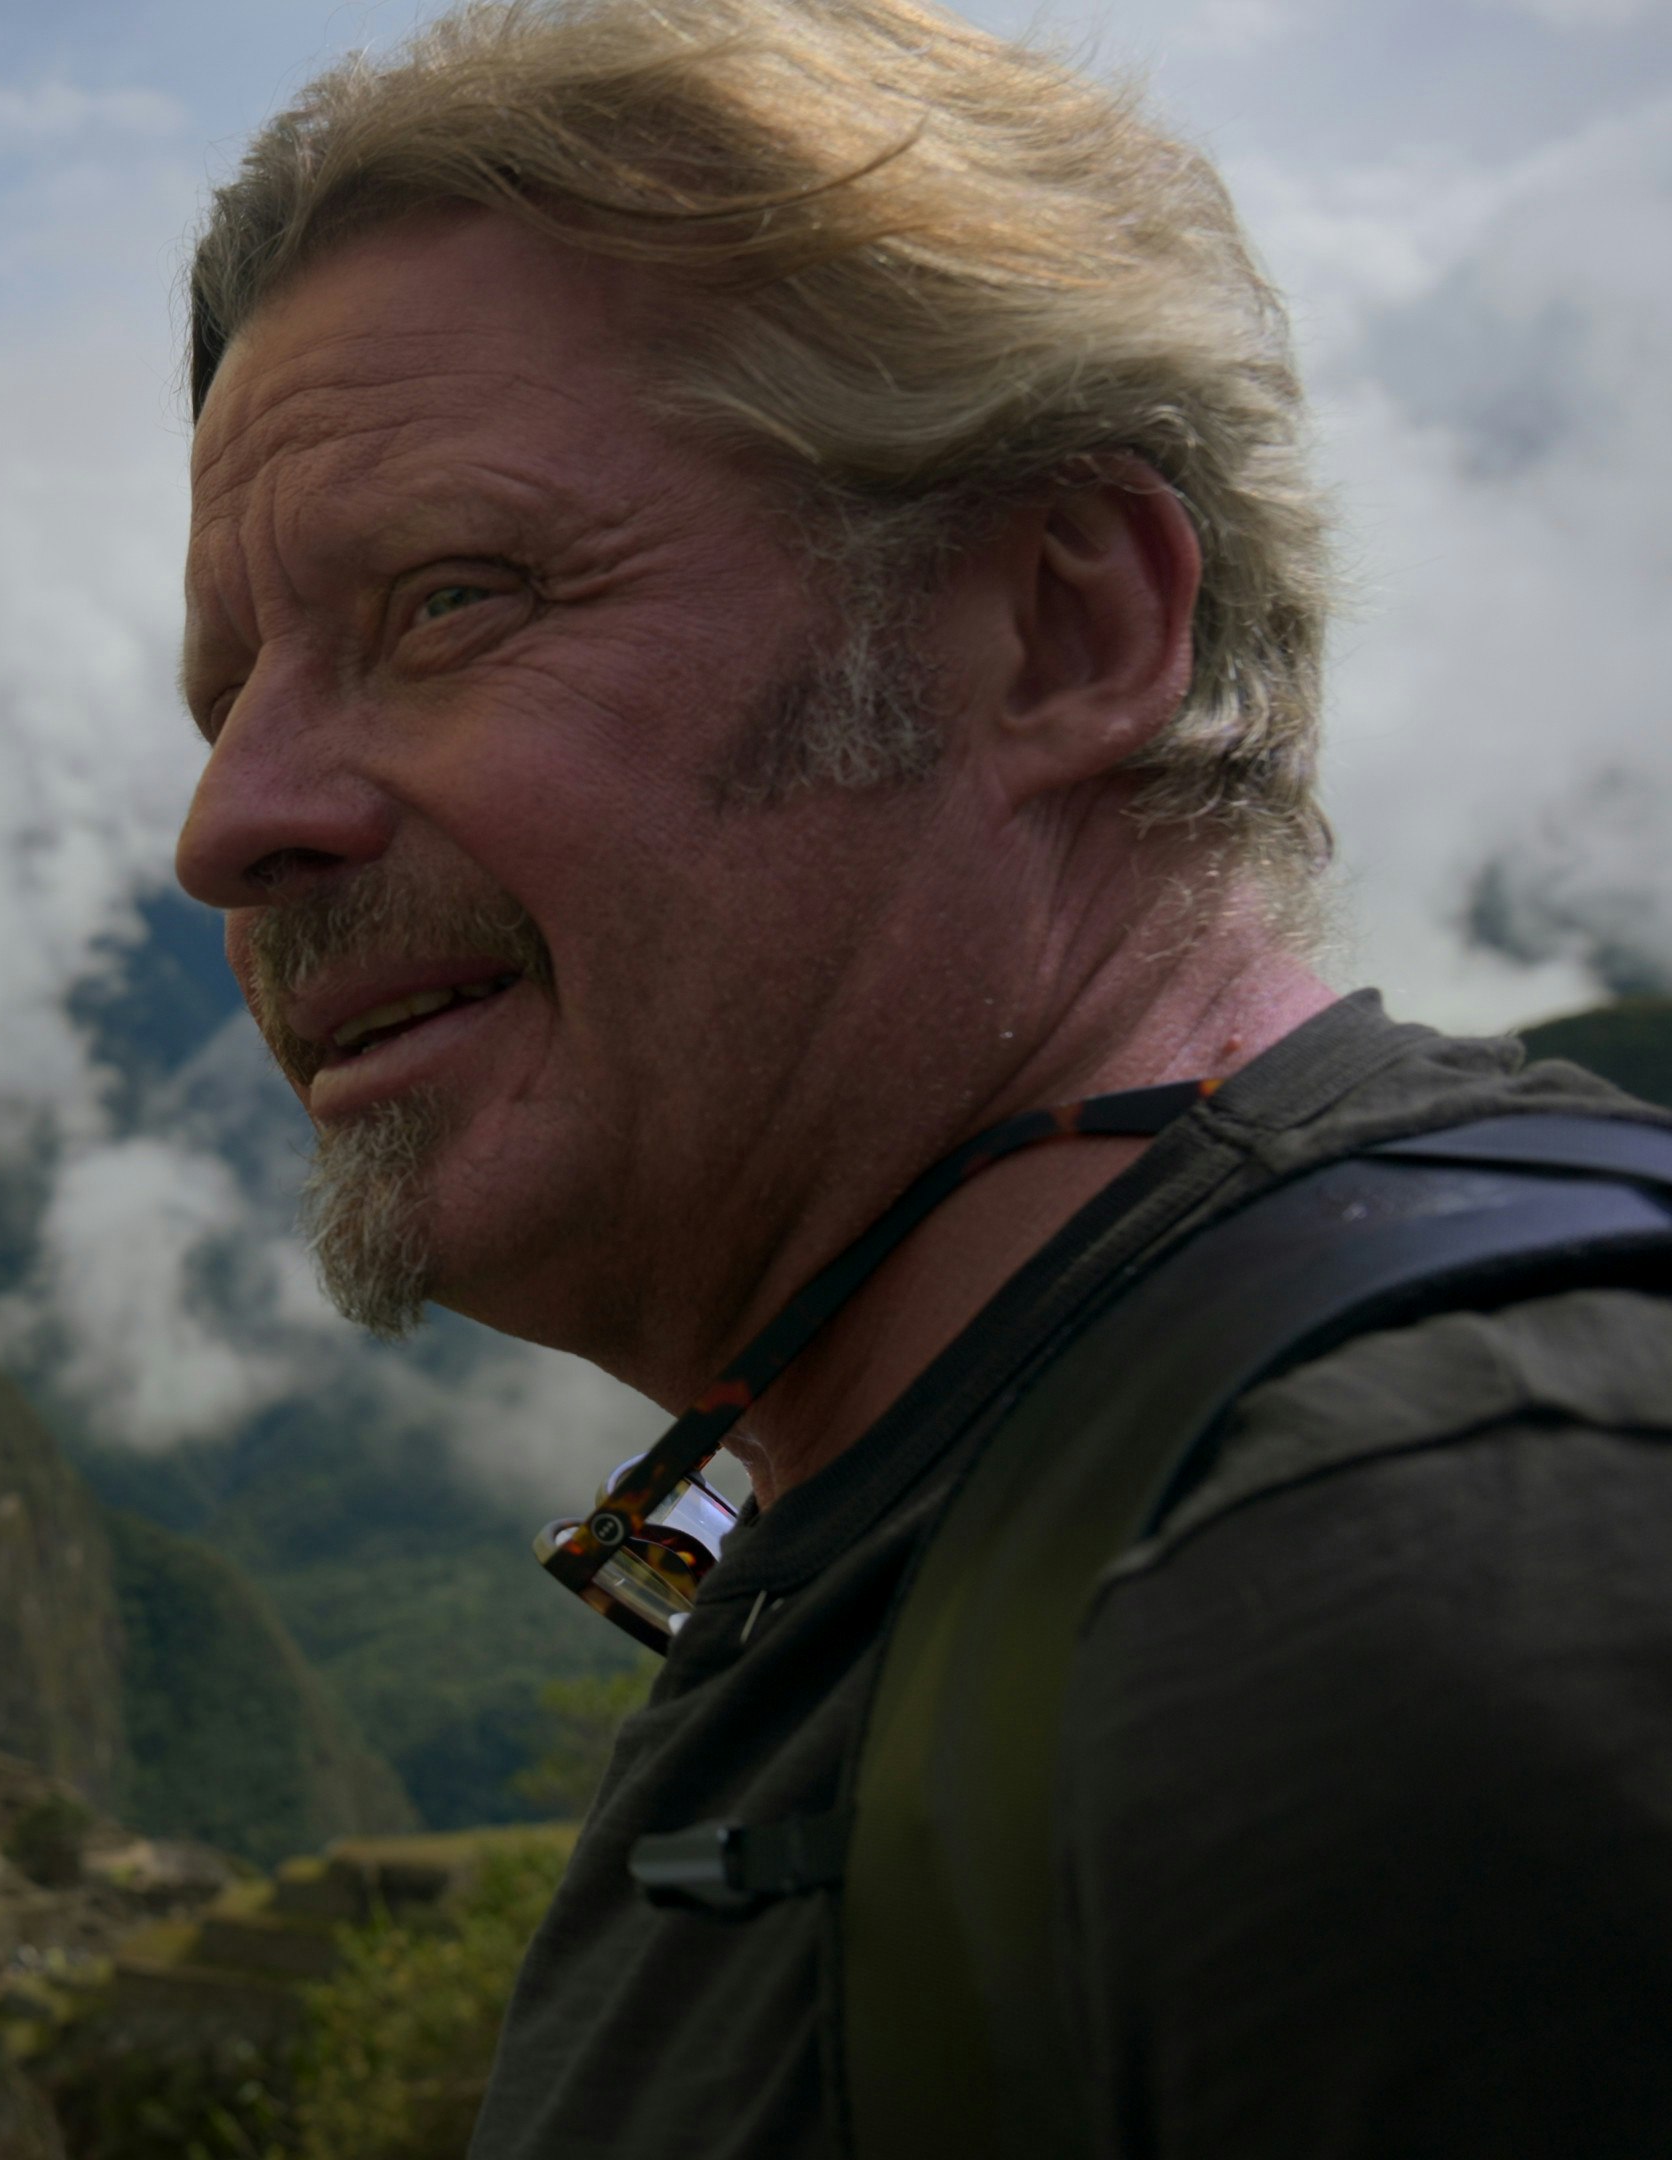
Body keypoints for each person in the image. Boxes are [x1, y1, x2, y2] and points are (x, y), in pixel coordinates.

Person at [168, 2, 1672, 2153]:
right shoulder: (951, 1506)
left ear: (1062, 630)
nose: (227, 821)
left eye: (451, 599)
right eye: (227, 694)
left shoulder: (1436, 1592)